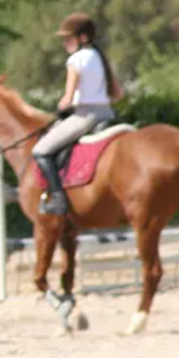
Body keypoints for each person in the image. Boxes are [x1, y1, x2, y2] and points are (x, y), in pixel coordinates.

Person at [32, 12, 125, 215]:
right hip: (107, 114)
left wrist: (60, 109)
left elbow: (67, 99)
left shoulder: (76, 60)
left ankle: (58, 199)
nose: (65, 43)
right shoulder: (102, 58)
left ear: (83, 38)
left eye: (68, 38)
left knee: (40, 150)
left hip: (85, 117)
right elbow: (118, 94)